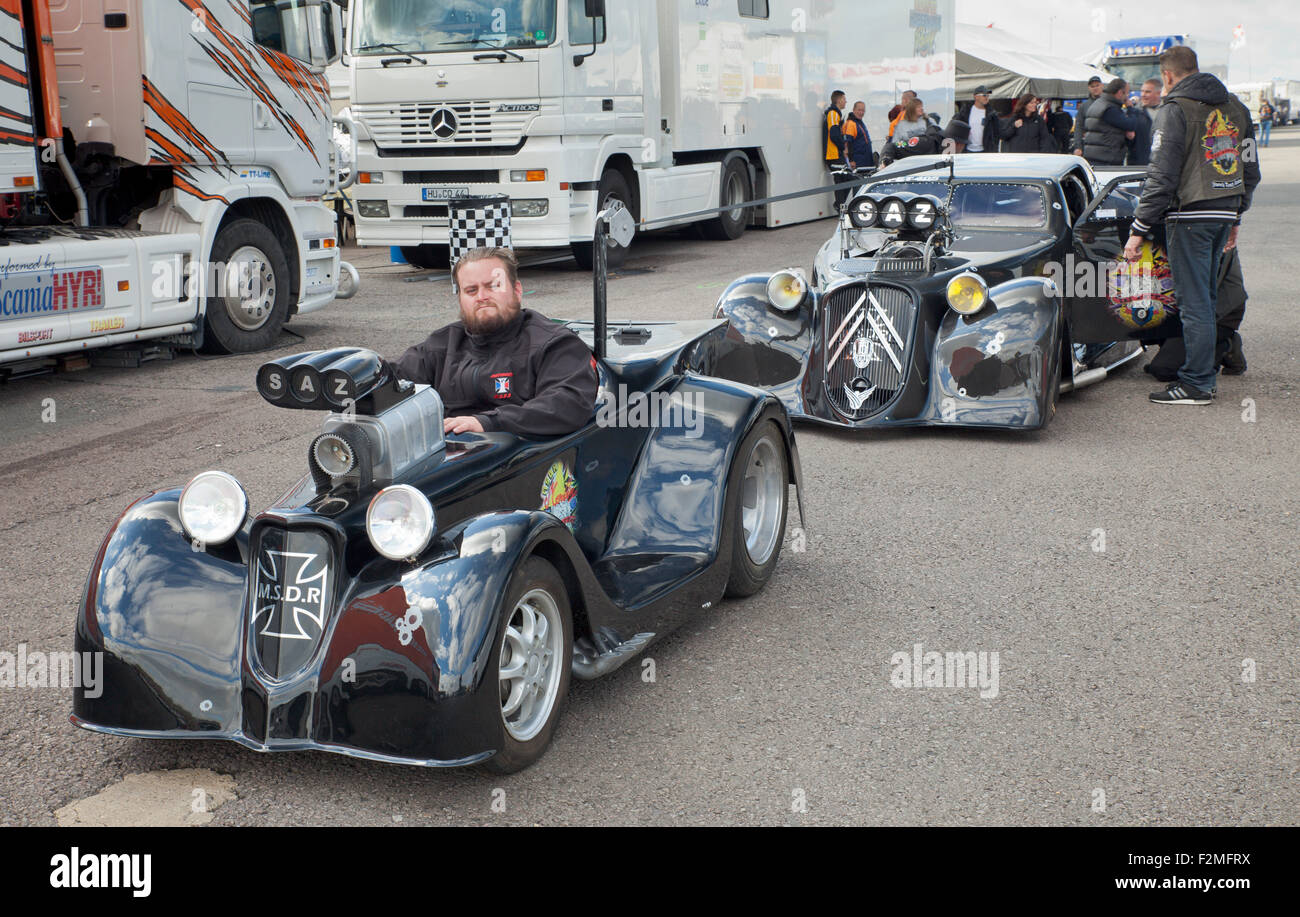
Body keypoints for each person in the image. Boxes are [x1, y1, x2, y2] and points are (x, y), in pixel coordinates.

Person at [1124, 45, 1260, 405]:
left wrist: (1139, 228)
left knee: (1195, 302)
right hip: (1223, 211)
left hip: (1189, 216)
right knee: (1207, 296)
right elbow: (1249, 168)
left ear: (1167, 75)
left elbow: (1161, 175)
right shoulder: (1237, 108)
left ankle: (1197, 383)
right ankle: (1202, 372)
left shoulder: (1174, 111)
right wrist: (1236, 214)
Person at [393, 247, 598, 435]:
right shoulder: (440, 345)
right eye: (471, 290)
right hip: (447, 457)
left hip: (517, 461)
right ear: (461, 299)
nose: (482, 296)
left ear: (517, 291)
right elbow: (393, 384)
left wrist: (489, 422)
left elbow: (567, 404)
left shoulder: (554, 344)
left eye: (493, 286)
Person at [1143, 243, 1250, 381]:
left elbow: (1202, 291)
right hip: (1185, 308)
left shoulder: (1204, 232)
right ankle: (1173, 346)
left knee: (1165, 370)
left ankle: (1226, 345)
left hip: (1216, 313)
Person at [1082, 78, 1138, 166]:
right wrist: (1131, 108)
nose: (1127, 96)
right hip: (1106, 158)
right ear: (1120, 92)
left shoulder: (1098, 103)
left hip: (1094, 156)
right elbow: (1131, 125)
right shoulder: (1110, 109)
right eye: (1127, 93)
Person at [823, 89, 851, 206]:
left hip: (835, 153)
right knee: (849, 178)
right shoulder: (833, 114)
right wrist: (842, 147)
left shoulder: (836, 114)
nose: (846, 101)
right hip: (833, 154)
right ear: (839, 100)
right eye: (844, 99)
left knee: (841, 180)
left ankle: (840, 204)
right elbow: (834, 134)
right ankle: (839, 204)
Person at [956, 86, 999, 153]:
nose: (987, 98)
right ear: (976, 96)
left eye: (988, 95)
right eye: (984, 95)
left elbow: (997, 132)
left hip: (985, 151)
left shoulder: (991, 113)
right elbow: (957, 127)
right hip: (966, 150)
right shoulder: (965, 111)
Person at [1072, 75, 1105, 155]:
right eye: (1092, 86)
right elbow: (1078, 127)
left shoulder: (1109, 103)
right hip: (1089, 146)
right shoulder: (1084, 106)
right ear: (1089, 88)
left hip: (1106, 147)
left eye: (1097, 85)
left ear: (1102, 86)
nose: (1095, 88)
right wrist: (1078, 147)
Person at [843, 100, 874, 170]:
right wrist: (851, 160)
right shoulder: (851, 123)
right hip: (857, 161)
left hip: (865, 160)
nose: (861, 112)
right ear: (853, 110)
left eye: (863, 110)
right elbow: (848, 143)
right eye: (859, 110)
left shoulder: (859, 122)